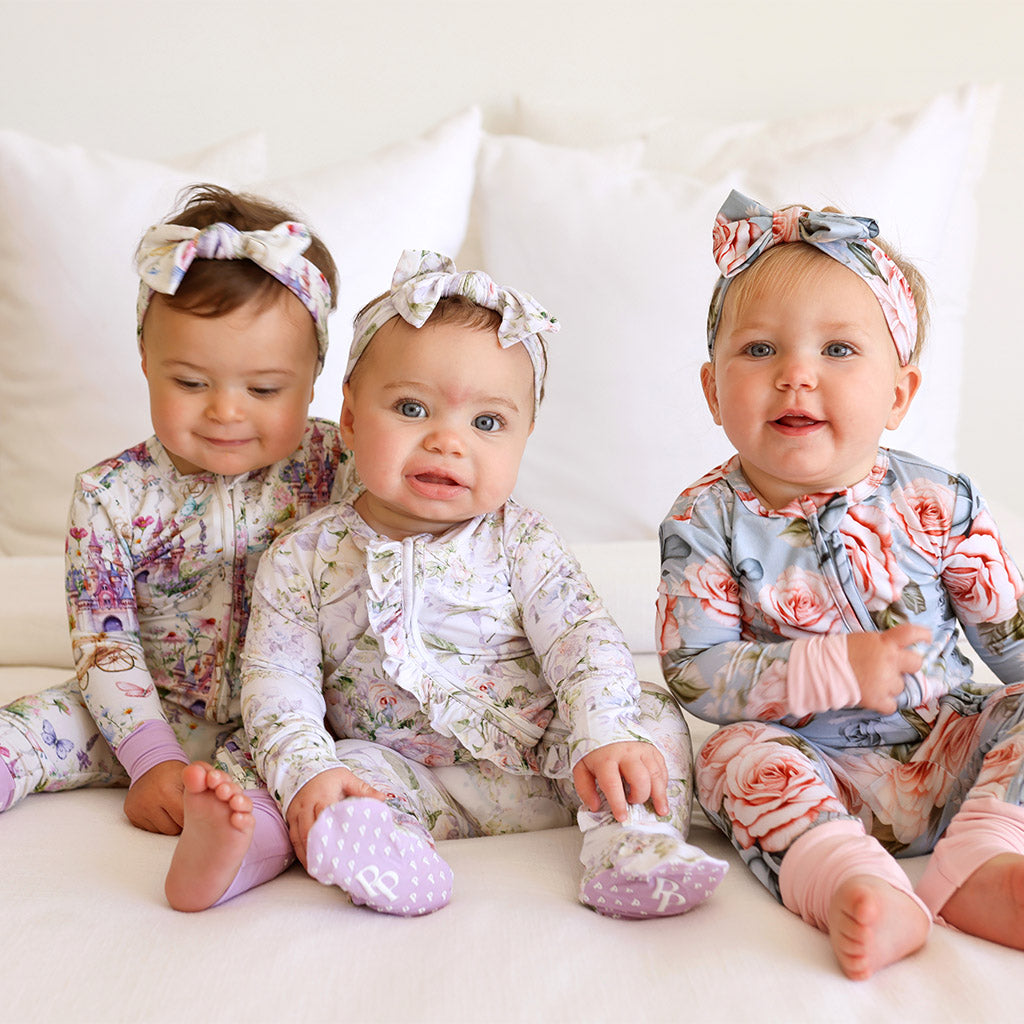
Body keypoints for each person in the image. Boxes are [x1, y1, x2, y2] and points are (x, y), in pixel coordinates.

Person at [166, 249, 727, 917]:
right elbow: (276, 685)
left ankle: (633, 845)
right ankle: (377, 852)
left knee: (650, 716)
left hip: (554, 768)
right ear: (348, 417)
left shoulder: (520, 541)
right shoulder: (304, 557)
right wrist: (312, 773)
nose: (447, 441)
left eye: (486, 423)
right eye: (411, 407)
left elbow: (582, 641)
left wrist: (603, 733)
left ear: (523, 440)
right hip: (404, 773)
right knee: (314, 769)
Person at [656, 190, 1024, 979]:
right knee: (727, 757)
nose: (795, 375)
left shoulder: (940, 502)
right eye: (759, 351)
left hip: (949, 750)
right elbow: (695, 671)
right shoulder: (703, 520)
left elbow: (1012, 641)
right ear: (712, 389)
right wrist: (830, 666)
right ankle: (852, 880)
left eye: (838, 351)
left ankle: (981, 862)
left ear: (898, 394)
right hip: (813, 766)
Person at [0, 185, 347, 865]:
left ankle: (243, 838)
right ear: (145, 364)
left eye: (264, 389)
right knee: (28, 728)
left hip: (290, 720)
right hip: (139, 708)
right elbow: (107, 646)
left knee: (337, 769)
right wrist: (149, 758)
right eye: (190, 382)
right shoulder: (111, 496)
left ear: (313, 379)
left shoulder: (338, 470)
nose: (224, 411)